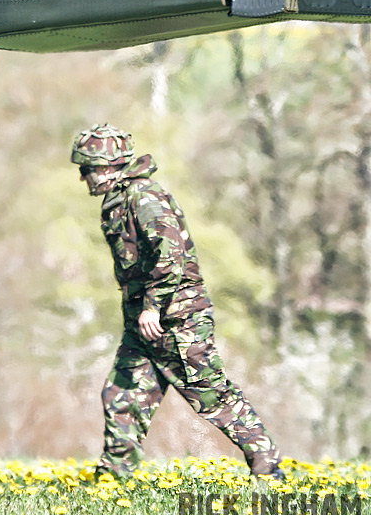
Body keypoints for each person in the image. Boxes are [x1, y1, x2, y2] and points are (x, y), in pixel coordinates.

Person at [71, 124, 282, 479]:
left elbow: (171, 255)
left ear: (106, 166)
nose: (84, 178)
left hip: (176, 321)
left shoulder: (145, 198)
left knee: (214, 398)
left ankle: (267, 467)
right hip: (145, 324)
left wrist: (153, 306)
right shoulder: (119, 201)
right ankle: (112, 479)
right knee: (122, 396)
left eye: (86, 169)